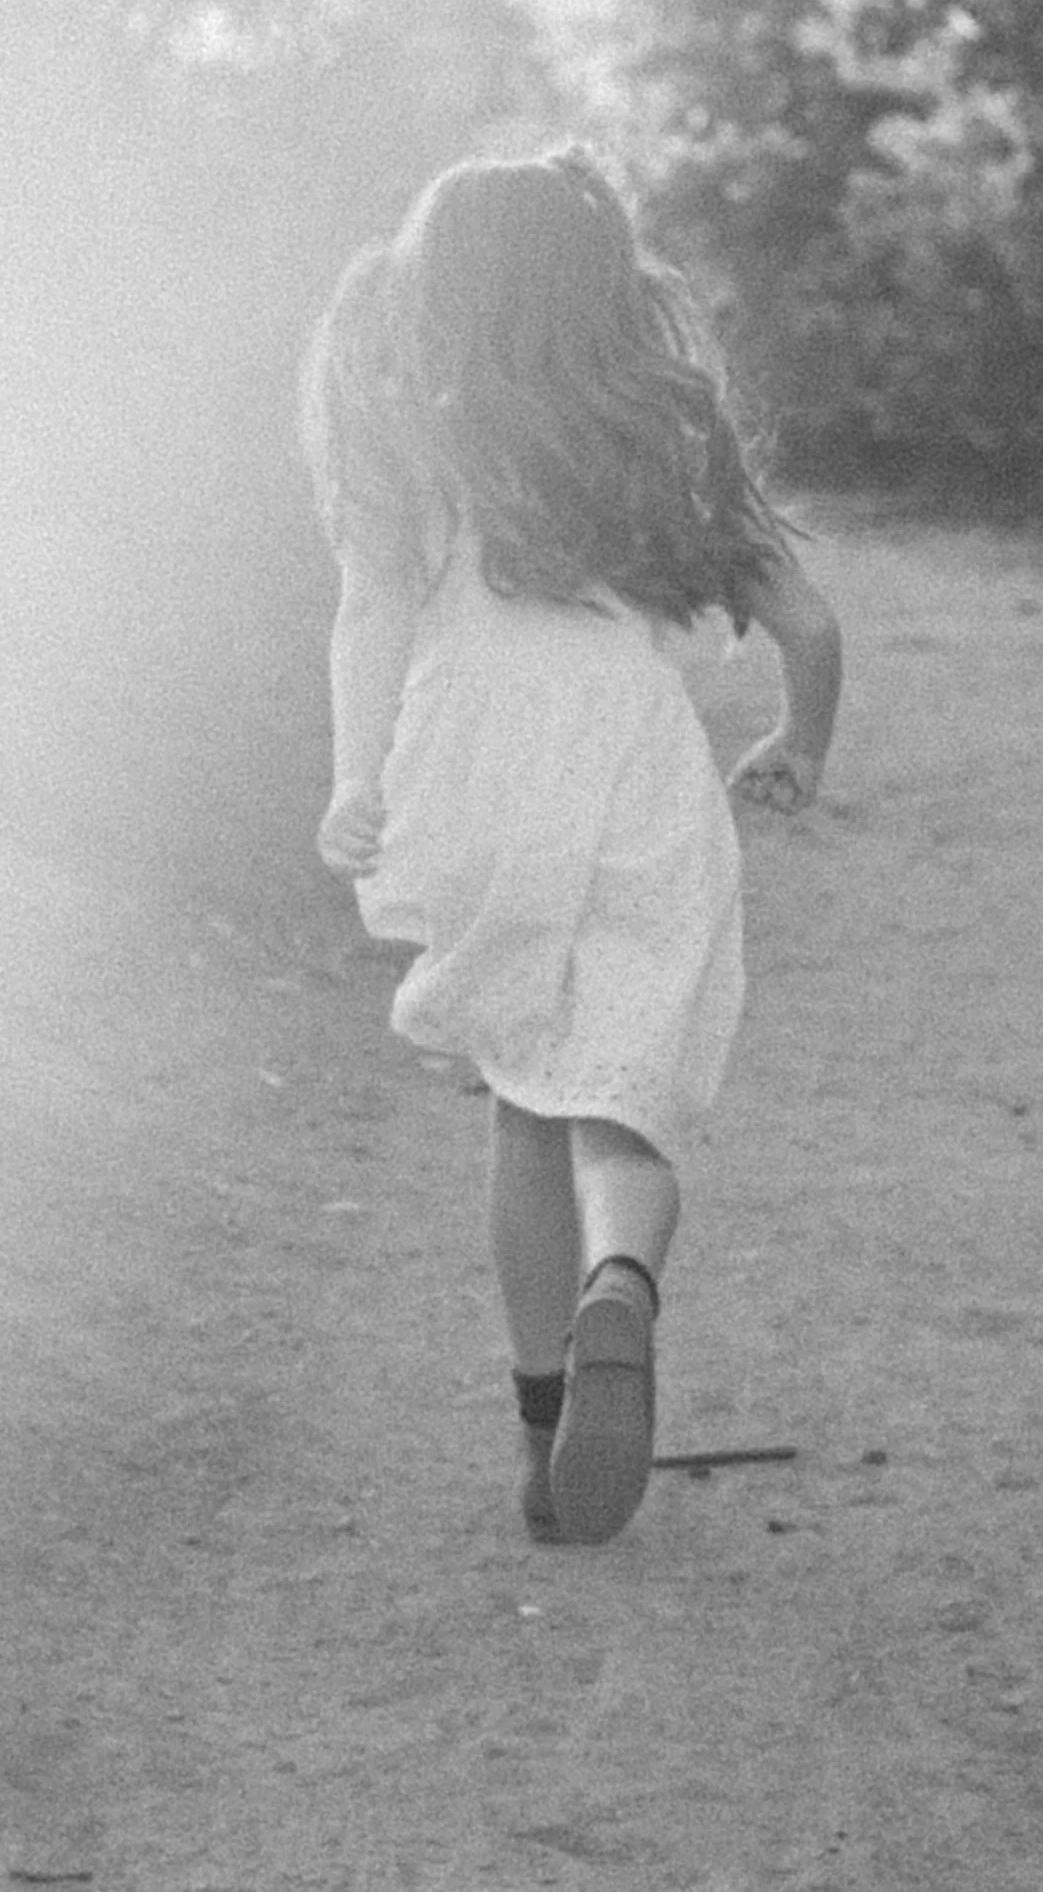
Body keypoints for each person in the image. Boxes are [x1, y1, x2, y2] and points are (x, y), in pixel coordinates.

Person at [300, 148, 843, 1549]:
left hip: (473, 772)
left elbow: (369, 615)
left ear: (444, 287)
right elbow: (812, 628)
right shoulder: (664, 430)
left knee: (522, 1101)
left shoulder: (414, 430)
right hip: (634, 773)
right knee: (621, 1099)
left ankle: (548, 1430)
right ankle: (623, 1285)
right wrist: (799, 745)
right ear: (605, 285)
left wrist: (356, 777)